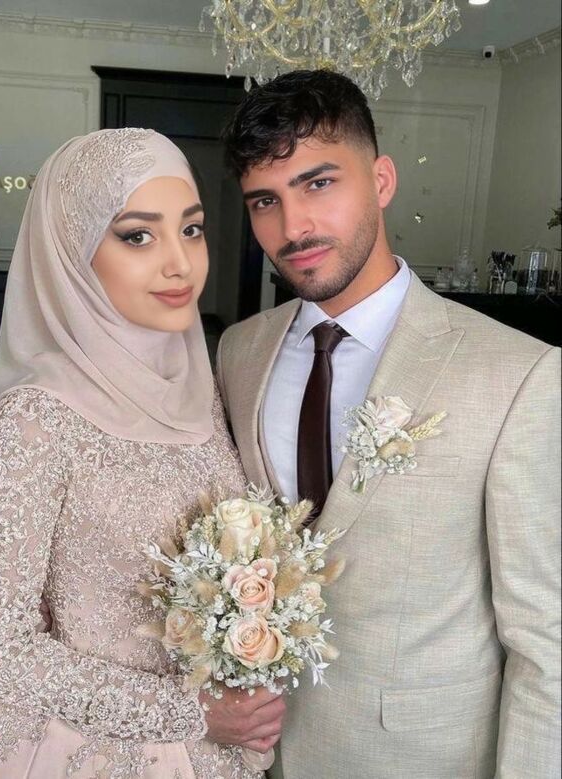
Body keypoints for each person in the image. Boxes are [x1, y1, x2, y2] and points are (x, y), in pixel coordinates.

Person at [217, 70, 561, 779]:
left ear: (380, 180)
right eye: (265, 201)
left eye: (318, 183)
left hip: (420, 756)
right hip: (260, 752)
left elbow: (546, 640)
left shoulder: (518, 374)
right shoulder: (239, 352)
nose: (293, 227)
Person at [0, 128, 285, 778]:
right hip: (73, 744)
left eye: (191, 230)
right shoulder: (37, 417)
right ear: (73, 252)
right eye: (137, 236)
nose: (180, 263)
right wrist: (188, 710)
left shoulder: (199, 389)